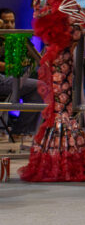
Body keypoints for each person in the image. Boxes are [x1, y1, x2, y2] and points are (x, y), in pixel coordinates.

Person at [0, 8, 43, 139]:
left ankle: (21, 131)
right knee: (38, 85)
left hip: (13, 78)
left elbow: (36, 57)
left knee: (40, 86)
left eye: (12, 22)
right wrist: (15, 66)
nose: (9, 25)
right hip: (3, 78)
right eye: (6, 22)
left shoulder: (17, 38)